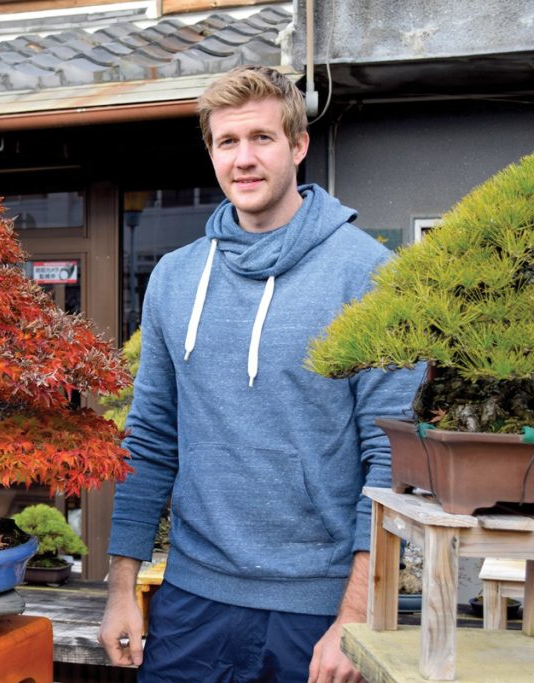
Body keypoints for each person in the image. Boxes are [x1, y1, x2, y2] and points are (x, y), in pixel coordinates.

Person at [98, 65, 424, 683]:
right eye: (228, 142)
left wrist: (357, 617)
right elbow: (149, 440)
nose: (244, 159)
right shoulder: (175, 276)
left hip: (319, 609)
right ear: (212, 153)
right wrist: (121, 589)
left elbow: (392, 462)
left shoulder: (370, 276)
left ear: (298, 146)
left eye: (262, 139)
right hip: (192, 600)